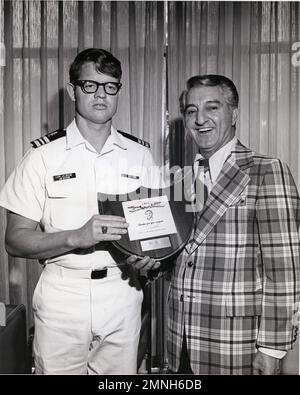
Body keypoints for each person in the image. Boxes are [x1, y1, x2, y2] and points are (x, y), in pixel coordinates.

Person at [0, 48, 159, 375]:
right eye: (90, 85)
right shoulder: (43, 156)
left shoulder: (140, 155)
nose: (101, 94)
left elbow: (157, 234)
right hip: (63, 294)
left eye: (110, 86)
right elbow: (14, 240)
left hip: (123, 291)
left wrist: (153, 258)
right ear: (73, 90)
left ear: (118, 91)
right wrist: (77, 236)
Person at [131, 74, 300, 374]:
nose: (200, 119)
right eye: (192, 111)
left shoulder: (266, 171)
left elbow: (284, 271)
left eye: (212, 107)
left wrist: (273, 349)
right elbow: (182, 254)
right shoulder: (178, 179)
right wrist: (153, 263)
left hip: (235, 344)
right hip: (178, 338)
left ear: (234, 113)